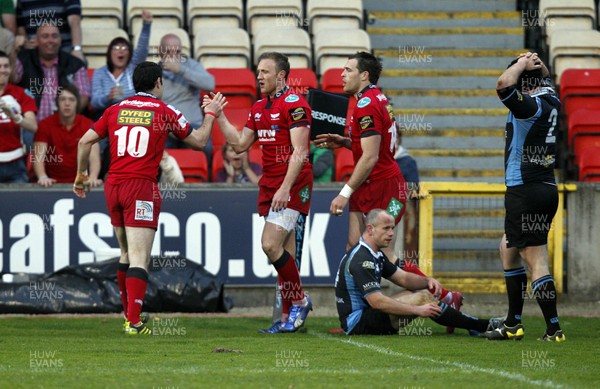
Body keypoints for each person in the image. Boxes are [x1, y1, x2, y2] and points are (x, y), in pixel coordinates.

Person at [73, 61, 227, 335]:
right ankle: (133, 322)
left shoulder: (115, 109)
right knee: (140, 258)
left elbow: (84, 141)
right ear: (158, 83)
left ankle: (129, 313)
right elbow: (200, 141)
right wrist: (211, 114)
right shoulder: (164, 110)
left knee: (126, 253)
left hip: (114, 185)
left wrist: (81, 175)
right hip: (141, 187)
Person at [314, 52, 464, 331]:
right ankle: (353, 317)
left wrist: (344, 192)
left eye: (348, 70)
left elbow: (371, 158)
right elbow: (373, 148)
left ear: (364, 75)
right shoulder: (368, 100)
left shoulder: (368, 104)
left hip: (387, 187)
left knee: (388, 256)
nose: (341, 75)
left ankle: (444, 296)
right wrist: (346, 141)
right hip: (370, 183)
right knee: (353, 247)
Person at [204, 52, 313, 334]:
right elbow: (239, 144)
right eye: (257, 71)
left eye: (265, 71)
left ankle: (300, 301)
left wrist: (286, 188)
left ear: (281, 76)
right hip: (270, 184)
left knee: (269, 245)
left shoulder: (295, 104)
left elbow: (300, 152)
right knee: (283, 254)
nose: (259, 76)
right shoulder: (258, 107)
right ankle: (288, 317)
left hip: (292, 184)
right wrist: (219, 116)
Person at [481, 52, 565, 342]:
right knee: (507, 246)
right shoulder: (552, 98)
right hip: (544, 188)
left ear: (524, 83)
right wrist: (534, 65)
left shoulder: (530, 107)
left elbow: (503, 85)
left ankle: (554, 329)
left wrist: (519, 66)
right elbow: (539, 79)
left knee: (536, 259)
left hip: (524, 189)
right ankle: (513, 322)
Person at [336, 209, 501, 336]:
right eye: (386, 228)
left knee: (419, 291)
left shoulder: (374, 253)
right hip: (358, 324)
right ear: (370, 229)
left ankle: (476, 326)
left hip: (368, 315)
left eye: (392, 228)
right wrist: (418, 310)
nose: (391, 234)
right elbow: (377, 302)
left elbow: (404, 278)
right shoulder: (362, 258)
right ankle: (482, 326)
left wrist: (427, 280)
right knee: (421, 298)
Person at [15, 23, 90, 123]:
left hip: (63, 126)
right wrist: (14, 51)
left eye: (54, 36)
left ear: (60, 41)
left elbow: (83, 96)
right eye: (45, 36)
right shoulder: (23, 59)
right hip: (30, 125)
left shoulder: (75, 64)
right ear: (37, 41)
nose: (50, 40)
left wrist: (66, 116)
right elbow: (10, 79)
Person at [33, 83, 101, 187]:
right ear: (57, 103)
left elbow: (94, 158)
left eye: (71, 99)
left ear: (77, 103)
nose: (67, 103)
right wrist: (42, 177)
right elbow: (38, 157)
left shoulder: (88, 124)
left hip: (80, 183)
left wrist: (93, 177)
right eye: (62, 99)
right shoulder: (44, 125)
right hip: (51, 184)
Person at [90, 10, 152, 119]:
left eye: (125, 48)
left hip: (131, 116)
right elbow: (95, 102)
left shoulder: (133, 68)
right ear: (110, 53)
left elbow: (142, 49)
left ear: (129, 54)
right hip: (106, 118)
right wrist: (108, 98)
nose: (121, 51)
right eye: (116, 48)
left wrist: (146, 26)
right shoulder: (99, 73)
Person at [159, 33, 214, 149]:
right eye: (169, 52)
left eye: (177, 52)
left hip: (191, 124)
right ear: (160, 52)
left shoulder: (191, 65)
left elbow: (210, 84)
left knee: (206, 148)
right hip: (166, 127)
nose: (174, 56)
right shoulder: (155, 71)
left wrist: (181, 70)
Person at [0, 50, 37, 183]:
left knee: (19, 203)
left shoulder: (21, 94)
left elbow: (33, 126)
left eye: (6, 66)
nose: (3, 70)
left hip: (16, 162)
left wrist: (16, 117)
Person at [15, 0, 84, 60]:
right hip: (34, 52)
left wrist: (76, 49)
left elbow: (74, 22)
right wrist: (26, 41)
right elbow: (21, 24)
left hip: (63, 50)